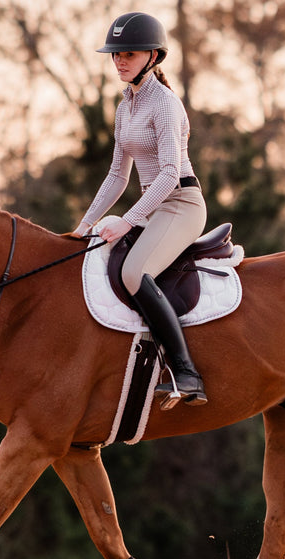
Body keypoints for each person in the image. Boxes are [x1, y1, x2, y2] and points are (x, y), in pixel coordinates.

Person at [74, 11, 208, 408]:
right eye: (115, 55)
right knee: (96, 252)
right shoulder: (125, 106)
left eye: (127, 54)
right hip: (154, 205)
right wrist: (85, 225)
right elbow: (117, 176)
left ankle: (187, 373)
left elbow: (169, 175)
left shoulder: (164, 104)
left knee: (135, 271)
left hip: (181, 202)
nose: (119, 61)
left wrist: (128, 220)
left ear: (152, 56)